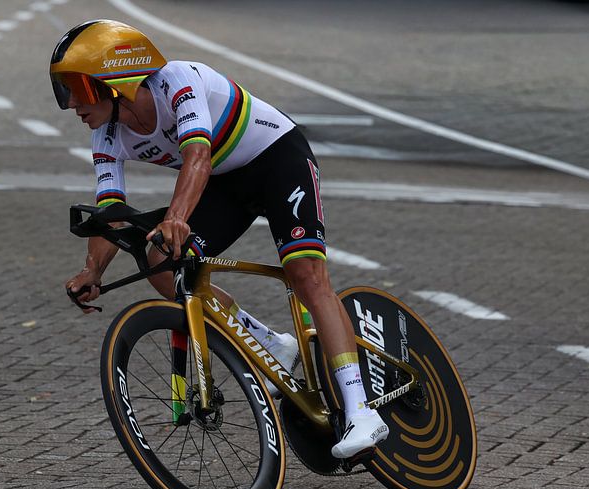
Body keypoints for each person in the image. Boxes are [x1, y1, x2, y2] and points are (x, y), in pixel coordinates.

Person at [53, 19, 388, 458]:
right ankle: (270, 343)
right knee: (160, 261)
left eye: (78, 87)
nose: (71, 103)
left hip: (276, 159)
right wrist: (92, 269)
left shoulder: (177, 81)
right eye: (65, 90)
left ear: (116, 79)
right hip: (226, 186)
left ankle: (362, 411)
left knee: (305, 274)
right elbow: (111, 215)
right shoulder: (107, 135)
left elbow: (198, 155)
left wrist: (177, 217)